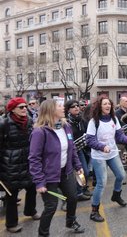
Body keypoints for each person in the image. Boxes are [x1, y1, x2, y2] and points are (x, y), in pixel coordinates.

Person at [29, 99, 85, 236]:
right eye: (59, 106)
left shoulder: (66, 127)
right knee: (51, 206)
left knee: (72, 198)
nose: (63, 108)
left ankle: (71, 221)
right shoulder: (39, 132)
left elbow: (71, 150)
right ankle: (43, 233)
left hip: (66, 172)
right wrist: (39, 182)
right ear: (50, 110)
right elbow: (34, 159)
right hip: (48, 177)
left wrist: (78, 166)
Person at [86, 96, 127, 222]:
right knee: (101, 183)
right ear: (99, 106)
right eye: (105, 104)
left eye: (109, 104)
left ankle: (116, 195)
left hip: (112, 153)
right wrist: (102, 147)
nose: (108, 106)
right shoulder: (94, 121)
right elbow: (89, 140)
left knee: (121, 175)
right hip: (99, 156)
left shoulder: (114, 119)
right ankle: (94, 211)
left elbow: (119, 136)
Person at [0, 97, 39, 233]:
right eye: (21, 107)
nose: (24, 109)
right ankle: (11, 224)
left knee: (33, 187)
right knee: (12, 195)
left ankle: (30, 210)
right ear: (12, 109)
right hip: (10, 165)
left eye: (25, 106)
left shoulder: (28, 121)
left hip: (27, 162)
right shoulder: (3, 123)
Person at [65, 100, 92, 201]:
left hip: (80, 149)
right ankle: (75, 194)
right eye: (73, 106)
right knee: (70, 175)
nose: (76, 107)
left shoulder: (81, 119)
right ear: (68, 110)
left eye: (77, 105)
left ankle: (82, 190)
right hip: (68, 152)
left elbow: (85, 132)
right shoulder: (66, 122)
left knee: (84, 171)